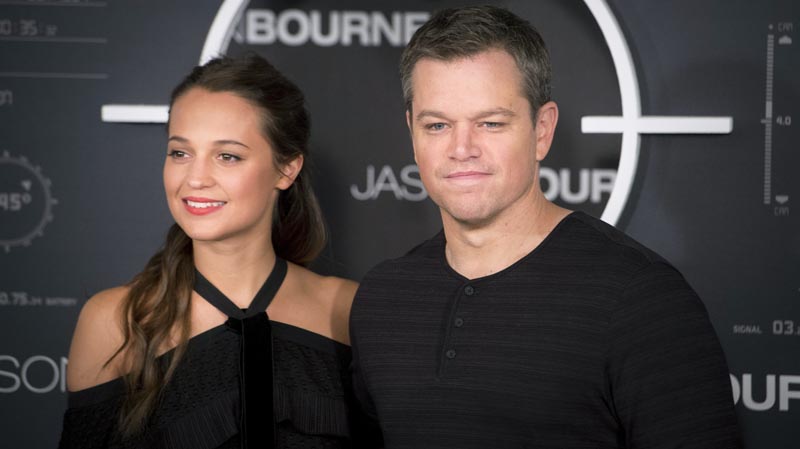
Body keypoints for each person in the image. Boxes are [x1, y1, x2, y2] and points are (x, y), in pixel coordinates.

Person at [350, 5, 741, 449]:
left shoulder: (640, 297)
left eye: (491, 123)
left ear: (542, 130)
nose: (461, 149)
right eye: (437, 125)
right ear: (412, 133)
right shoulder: (383, 298)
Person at [60, 55, 378, 448]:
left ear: (287, 169)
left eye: (227, 156)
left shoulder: (348, 311)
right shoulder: (116, 321)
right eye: (180, 152)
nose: (195, 177)